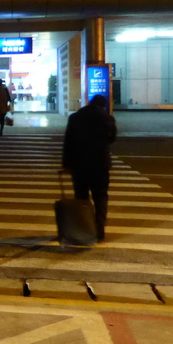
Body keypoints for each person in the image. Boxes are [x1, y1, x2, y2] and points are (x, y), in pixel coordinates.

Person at [62, 94, 117, 242]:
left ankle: (83, 228)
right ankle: (99, 231)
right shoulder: (107, 118)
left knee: (81, 198)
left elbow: (68, 142)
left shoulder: (75, 117)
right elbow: (111, 139)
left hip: (79, 165)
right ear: (103, 105)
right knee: (100, 198)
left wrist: (66, 164)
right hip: (100, 165)